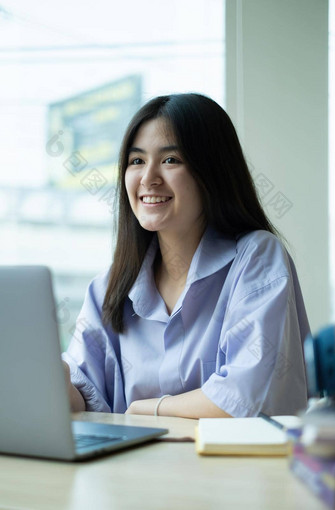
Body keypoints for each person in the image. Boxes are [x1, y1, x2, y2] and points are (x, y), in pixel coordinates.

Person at [62, 93, 310, 418]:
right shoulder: (108, 287)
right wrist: (36, 369)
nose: (148, 178)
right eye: (137, 161)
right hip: (127, 470)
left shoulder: (255, 258)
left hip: (231, 469)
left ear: (212, 172)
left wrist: (147, 409)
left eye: (170, 160)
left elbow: (251, 395)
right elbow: (82, 396)